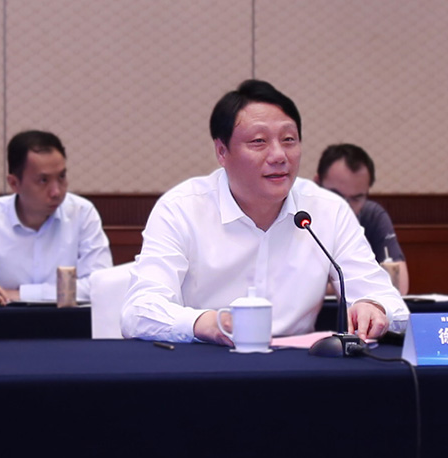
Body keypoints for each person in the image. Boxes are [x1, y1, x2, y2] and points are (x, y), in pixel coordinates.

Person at [121, 79, 408, 345]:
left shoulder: (327, 211)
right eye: (258, 141)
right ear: (221, 151)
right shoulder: (181, 209)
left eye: (289, 140)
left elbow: (392, 304)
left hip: (299, 368)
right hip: (207, 363)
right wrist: (207, 323)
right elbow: (138, 313)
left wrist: (373, 307)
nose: (279, 156)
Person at [0, 130, 113, 306]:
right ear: (14, 183)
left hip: (67, 320)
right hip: (3, 319)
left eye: (61, 177)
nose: (56, 192)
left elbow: (101, 286)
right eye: (43, 180)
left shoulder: (82, 213)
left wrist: (21, 294)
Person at [314, 143, 409, 295]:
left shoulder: (372, 216)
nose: (345, 206)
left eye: (356, 198)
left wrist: (328, 288)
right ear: (317, 183)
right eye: (336, 195)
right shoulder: (299, 217)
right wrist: (363, 284)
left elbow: (399, 285)